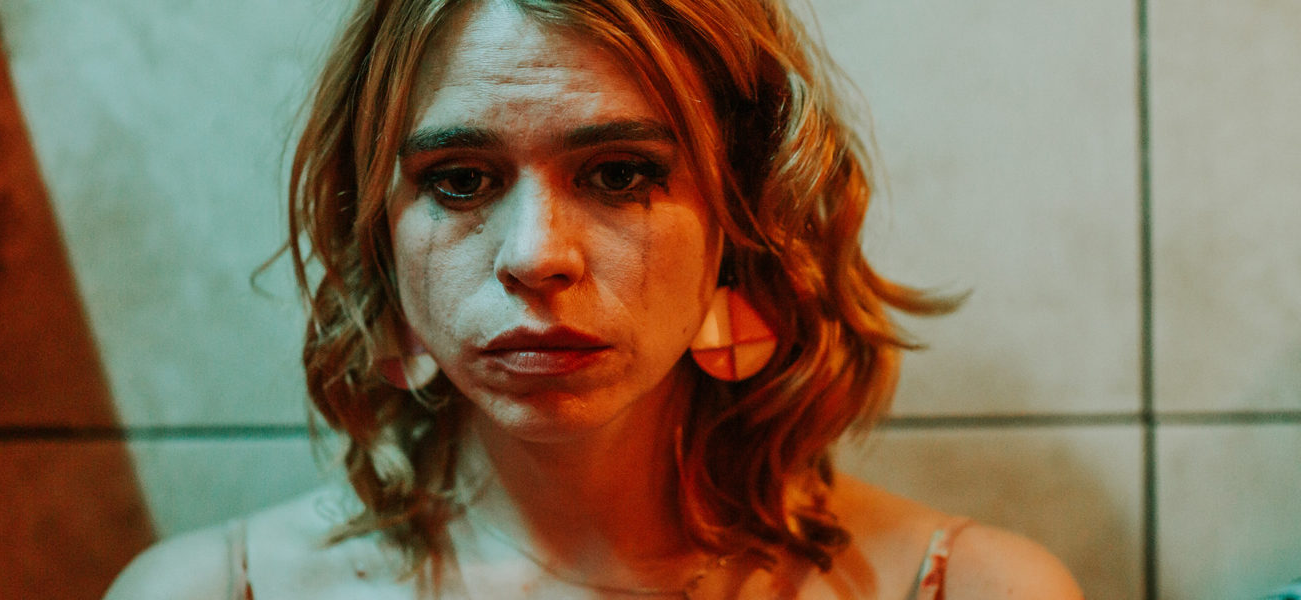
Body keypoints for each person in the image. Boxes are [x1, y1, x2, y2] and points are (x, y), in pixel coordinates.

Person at [106, 0, 1084, 597]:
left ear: (741, 220)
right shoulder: (206, 593)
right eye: (460, 180)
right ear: (379, 234)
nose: (536, 257)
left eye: (619, 175)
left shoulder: (970, 589)